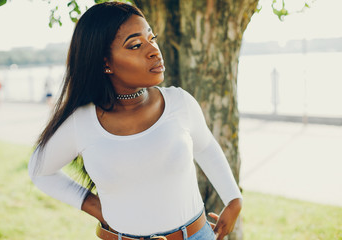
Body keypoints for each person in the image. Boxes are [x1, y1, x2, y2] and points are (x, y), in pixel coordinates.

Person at [28, 2, 242, 240]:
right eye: (136, 45)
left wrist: (233, 199)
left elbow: (206, 147)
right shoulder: (82, 123)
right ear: (104, 62)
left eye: (152, 38)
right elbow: (40, 170)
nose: (153, 50)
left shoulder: (179, 102)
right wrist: (95, 206)